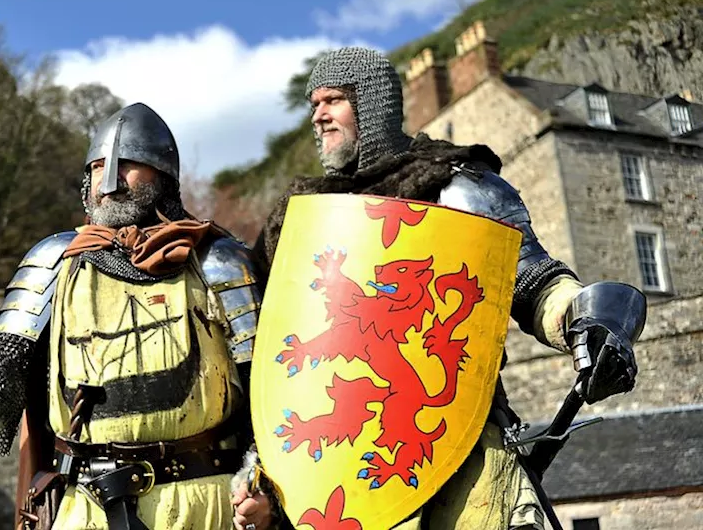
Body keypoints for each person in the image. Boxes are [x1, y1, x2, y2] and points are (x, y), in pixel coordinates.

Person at [0, 103, 282, 530]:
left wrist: (260, 484)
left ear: (163, 175)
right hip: (85, 506)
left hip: (200, 503)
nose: (110, 180)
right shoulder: (56, 261)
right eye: (96, 167)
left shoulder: (218, 264)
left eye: (127, 163)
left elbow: (272, 393)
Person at [252, 46, 647, 529]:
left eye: (333, 100)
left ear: (373, 104)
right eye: (314, 105)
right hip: (340, 472)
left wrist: (581, 323)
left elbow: (532, 281)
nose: (319, 116)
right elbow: (272, 356)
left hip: (459, 446)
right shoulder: (304, 221)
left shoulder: (453, 189)